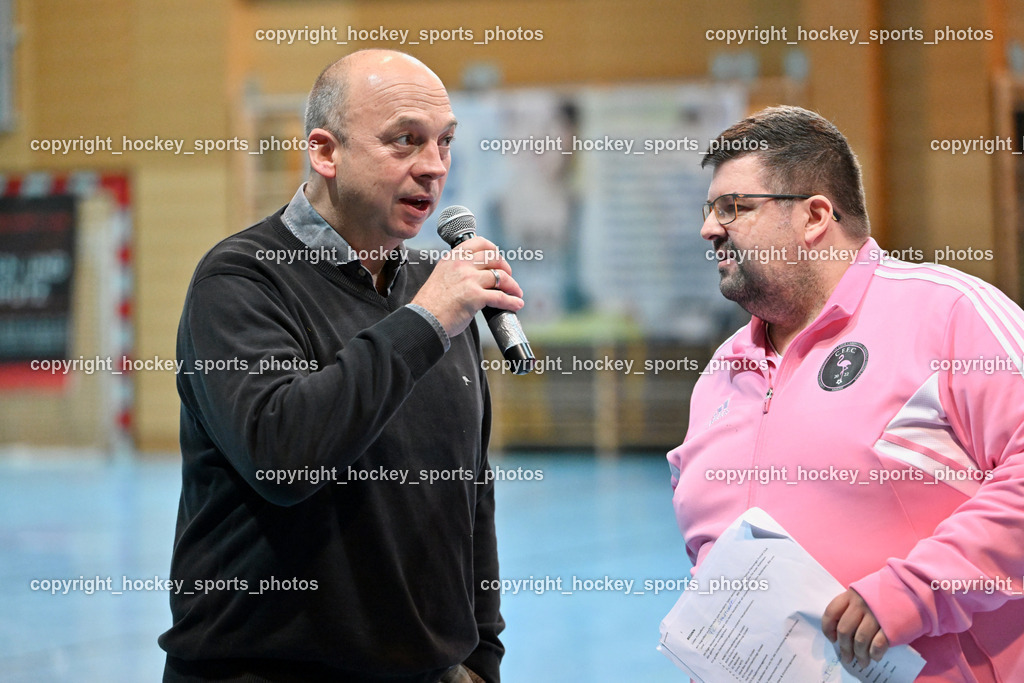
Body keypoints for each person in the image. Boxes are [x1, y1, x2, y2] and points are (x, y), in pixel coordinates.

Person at [158, 49, 521, 683]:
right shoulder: (241, 280)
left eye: (445, 142)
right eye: (405, 141)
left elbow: (471, 495)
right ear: (325, 153)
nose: (433, 168)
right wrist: (426, 321)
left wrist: (480, 657)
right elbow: (283, 454)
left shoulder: (435, 295)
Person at [668, 105, 1024, 681]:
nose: (710, 229)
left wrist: (918, 590)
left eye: (733, 207)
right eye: (709, 209)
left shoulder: (947, 313)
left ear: (814, 216)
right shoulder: (722, 372)